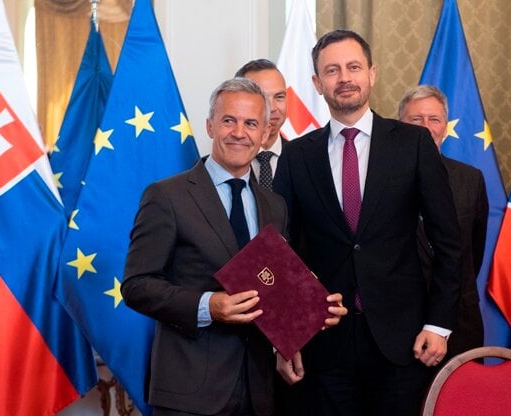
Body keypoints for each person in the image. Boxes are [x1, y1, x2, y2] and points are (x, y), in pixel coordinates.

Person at [121, 77, 346, 416]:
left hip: (259, 391)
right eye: (229, 120)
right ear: (211, 125)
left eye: (251, 123)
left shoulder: (275, 206)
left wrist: (312, 313)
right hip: (190, 392)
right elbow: (136, 286)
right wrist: (208, 305)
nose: (239, 132)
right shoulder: (167, 196)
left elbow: (270, 290)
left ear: (264, 133)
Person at [273, 29, 462, 416]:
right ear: (316, 83)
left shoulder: (413, 144)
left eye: (353, 67)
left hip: (404, 343)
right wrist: (285, 336)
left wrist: (439, 324)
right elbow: (280, 251)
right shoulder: (296, 157)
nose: (344, 78)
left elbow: (449, 243)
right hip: (323, 346)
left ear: (371, 74)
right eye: (332, 70)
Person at [398, 85, 489, 359]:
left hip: (460, 323)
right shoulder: (382, 180)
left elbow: (473, 249)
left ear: (445, 126)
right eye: (416, 120)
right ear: (399, 125)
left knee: (462, 401)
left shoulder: (470, 179)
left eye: (434, 119)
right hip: (400, 324)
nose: (425, 128)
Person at [235, 59, 288, 191]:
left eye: (279, 97)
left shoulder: (303, 160)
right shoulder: (219, 164)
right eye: (262, 98)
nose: (273, 108)